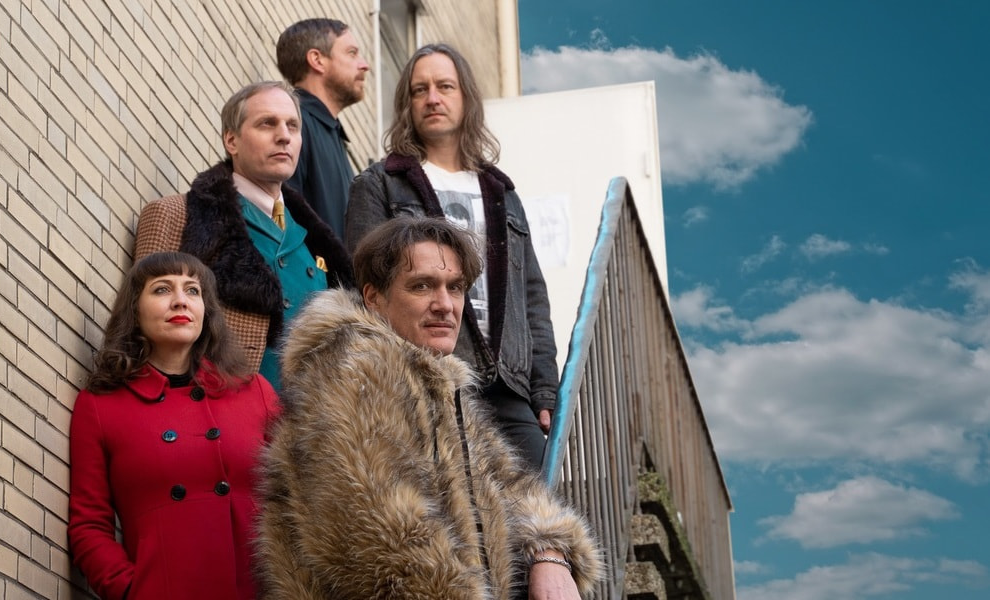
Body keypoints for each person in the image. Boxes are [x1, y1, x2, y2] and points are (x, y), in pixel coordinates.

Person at [258, 218, 603, 600]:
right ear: (374, 297)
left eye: (454, 288)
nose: (445, 305)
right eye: (421, 286)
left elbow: (507, 483)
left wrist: (549, 551)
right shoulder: (355, 370)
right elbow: (382, 539)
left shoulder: (436, 380)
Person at [346, 43, 556, 469]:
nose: (432, 98)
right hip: (422, 380)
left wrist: (545, 388)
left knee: (540, 505)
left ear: (466, 99)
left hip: (508, 387)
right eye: (419, 90)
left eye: (445, 87)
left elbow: (531, 295)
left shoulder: (503, 193)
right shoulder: (380, 185)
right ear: (407, 104)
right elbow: (363, 292)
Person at [68, 252, 279, 599]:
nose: (181, 300)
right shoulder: (101, 406)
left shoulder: (255, 392)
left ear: (206, 311)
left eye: (192, 291)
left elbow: (298, 499)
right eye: (162, 289)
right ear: (135, 310)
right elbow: (89, 525)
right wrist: (133, 590)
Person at [134, 81, 353, 390]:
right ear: (232, 140)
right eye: (267, 124)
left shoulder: (320, 247)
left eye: (292, 126)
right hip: (212, 404)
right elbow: (137, 333)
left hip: (302, 416)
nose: (284, 136)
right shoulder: (174, 216)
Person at [276, 18, 369, 240]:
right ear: (317, 60)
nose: (364, 65)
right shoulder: (292, 125)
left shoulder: (332, 135)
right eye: (352, 53)